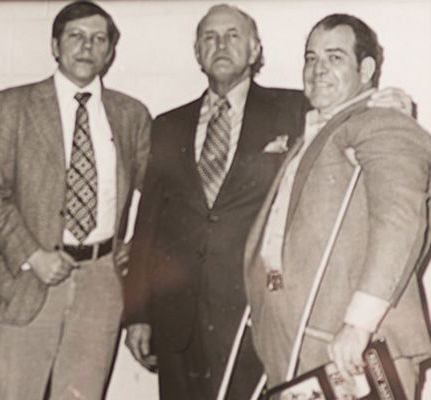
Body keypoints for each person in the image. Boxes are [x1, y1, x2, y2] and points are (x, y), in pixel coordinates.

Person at [123, 4, 413, 400]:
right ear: (196, 53)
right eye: (209, 37)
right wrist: (138, 312)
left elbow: (366, 135)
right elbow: (148, 223)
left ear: (255, 50)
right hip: (179, 316)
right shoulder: (167, 124)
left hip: (255, 314)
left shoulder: (299, 107)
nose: (221, 45)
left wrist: (391, 102)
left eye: (233, 36)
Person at [243, 13, 431, 399]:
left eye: (335, 57)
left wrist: (359, 325)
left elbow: (400, 222)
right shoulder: (314, 129)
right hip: (297, 340)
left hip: (353, 348)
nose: (318, 69)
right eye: (311, 58)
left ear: (366, 69)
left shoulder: (381, 122)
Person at [0, 1, 151, 399]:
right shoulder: (12, 105)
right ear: (55, 46)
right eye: (76, 36)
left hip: (101, 283)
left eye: (98, 39)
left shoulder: (131, 115)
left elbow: (161, 197)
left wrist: (139, 250)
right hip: (30, 277)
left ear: (110, 51)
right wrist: (32, 255)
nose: (87, 47)